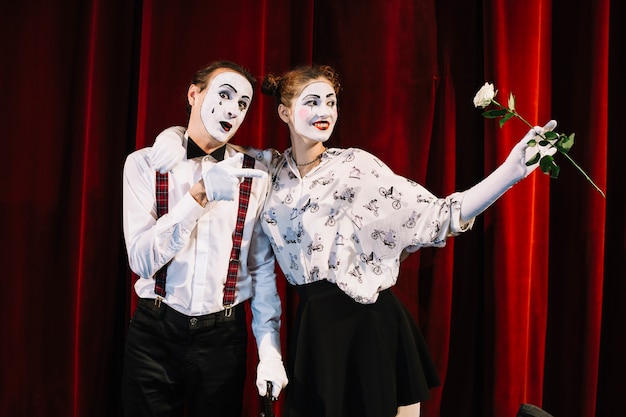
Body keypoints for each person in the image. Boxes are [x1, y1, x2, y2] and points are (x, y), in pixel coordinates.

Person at [153, 64, 557, 417]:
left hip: (372, 328)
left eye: (330, 102)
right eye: (312, 102)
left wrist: (510, 172)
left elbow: (439, 216)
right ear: (284, 111)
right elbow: (205, 146)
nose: (324, 111)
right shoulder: (267, 169)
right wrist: (167, 140)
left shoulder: (357, 168)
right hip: (316, 334)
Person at [121, 60, 288, 417]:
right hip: (155, 332)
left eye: (242, 104)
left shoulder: (255, 173)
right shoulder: (143, 164)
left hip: (223, 337)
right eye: (224, 95)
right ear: (194, 94)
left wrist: (270, 352)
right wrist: (197, 197)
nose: (233, 109)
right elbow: (142, 261)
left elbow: (260, 272)